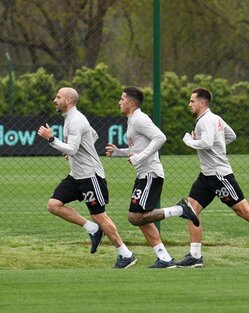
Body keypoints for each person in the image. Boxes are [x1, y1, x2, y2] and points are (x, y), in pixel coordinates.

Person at [176, 87, 249, 268]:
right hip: (206, 176)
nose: (189, 104)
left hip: (219, 175)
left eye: (192, 101)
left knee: (243, 210)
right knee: (191, 211)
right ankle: (195, 256)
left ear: (202, 103)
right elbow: (231, 136)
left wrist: (188, 140)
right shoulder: (215, 118)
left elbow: (206, 143)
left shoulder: (205, 121)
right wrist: (217, 144)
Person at [37, 87, 136, 269]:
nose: (54, 100)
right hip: (76, 176)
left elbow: (73, 148)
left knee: (99, 215)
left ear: (68, 101)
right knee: (54, 205)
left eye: (58, 97)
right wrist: (73, 150)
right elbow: (93, 136)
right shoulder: (70, 118)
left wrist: (52, 139)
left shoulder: (75, 120)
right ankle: (92, 229)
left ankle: (125, 253)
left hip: (91, 176)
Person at [105, 86, 200, 269]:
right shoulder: (132, 120)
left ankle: (180, 210)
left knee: (135, 217)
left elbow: (160, 137)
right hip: (144, 175)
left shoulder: (140, 118)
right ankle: (164, 259)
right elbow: (137, 150)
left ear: (131, 103)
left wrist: (139, 158)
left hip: (150, 174)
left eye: (122, 99)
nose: (119, 102)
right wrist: (119, 152)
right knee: (142, 218)